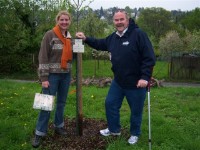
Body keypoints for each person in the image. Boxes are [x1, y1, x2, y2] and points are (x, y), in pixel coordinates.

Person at [76, 9, 156, 145]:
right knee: (110, 104)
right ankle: (114, 130)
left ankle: (135, 134)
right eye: (116, 20)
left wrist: (145, 77)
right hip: (118, 82)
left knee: (136, 111)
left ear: (127, 20)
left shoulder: (138, 35)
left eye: (121, 19)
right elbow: (100, 43)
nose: (119, 22)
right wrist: (86, 39)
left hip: (136, 83)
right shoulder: (113, 37)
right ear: (113, 21)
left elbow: (149, 58)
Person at [32, 10, 73, 148]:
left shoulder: (69, 37)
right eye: (62, 20)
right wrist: (43, 77)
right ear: (58, 20)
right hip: (51, 76)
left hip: (66, 75)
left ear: (69, 21)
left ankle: (59, 126)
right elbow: (43, 56)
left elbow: (74, 54)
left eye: (66, 20)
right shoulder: (50, 34)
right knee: (46, 104)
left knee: (61, 103)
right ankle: (39, 132)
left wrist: (80, 39)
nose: (64, 22)